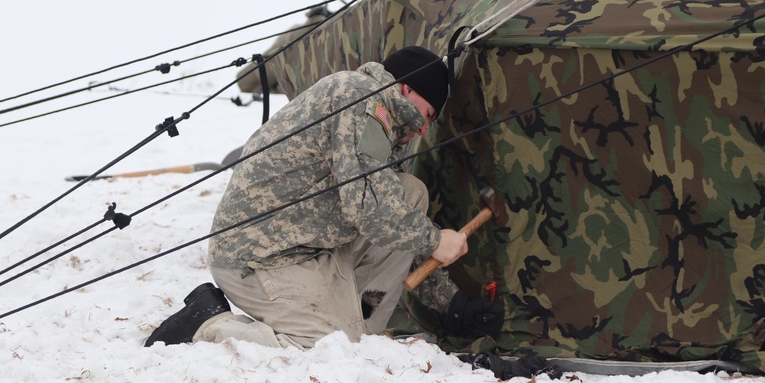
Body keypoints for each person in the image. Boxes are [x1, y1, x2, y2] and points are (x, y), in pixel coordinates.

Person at [144, 46, 501, 349]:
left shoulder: (377, 118)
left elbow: (392, 217)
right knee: (325, 349)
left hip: (305, 250)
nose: (424, 129)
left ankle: (356, 316)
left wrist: (449, 301)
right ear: (407, 90)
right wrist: (436, 240)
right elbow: (369, 205)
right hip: (257, 258)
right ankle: (207, 324)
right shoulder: (359, 98)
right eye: (426, 115)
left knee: (409, 194)